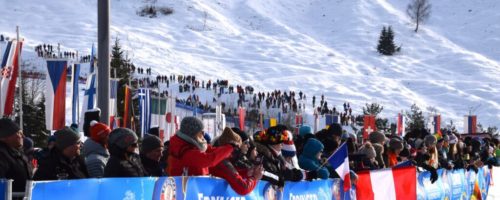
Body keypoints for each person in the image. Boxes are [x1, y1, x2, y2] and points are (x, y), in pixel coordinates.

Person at [167, 117, 234, 176]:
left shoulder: (194, 146)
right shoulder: (185, 151)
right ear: (192, 133)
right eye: (201, 132)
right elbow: (210, 160)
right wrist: (230, 147)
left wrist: (231, 152)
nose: (203, 134)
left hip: (196, 187)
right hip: (186, 188)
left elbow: (211, 150)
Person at [210, 128, 263, 195]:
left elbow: (231, 174)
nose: (249, 146)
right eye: (246, 143)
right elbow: (243, 188)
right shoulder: (224, 161)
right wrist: (255, 177)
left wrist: (246, 173)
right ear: (236, 145)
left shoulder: (225, 158)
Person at [0, 118, 33, 193]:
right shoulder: (2, 155)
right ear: (4, 137)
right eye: (19, 133)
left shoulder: (18, 153)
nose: (23, 136)